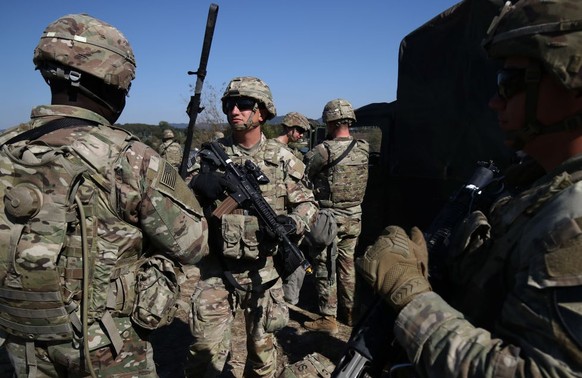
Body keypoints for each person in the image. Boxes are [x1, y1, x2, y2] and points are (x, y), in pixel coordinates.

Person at [356, 0, 582, 376]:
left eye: (509, 83)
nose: (494, 101)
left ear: (572, 81)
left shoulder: (573, 216)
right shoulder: (539, 187)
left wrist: (410, 295)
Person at [0, 14, 209, 377]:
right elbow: (193, 245)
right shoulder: (131, 158)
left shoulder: (6, 147)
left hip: (22, 341)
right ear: (115, 77)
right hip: (106, 348)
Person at [186, 76, 318, 378]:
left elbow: (308, 206)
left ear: (262, 112)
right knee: (203, 355)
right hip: (216, 269)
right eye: (228, 104)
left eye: (244, 104)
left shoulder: (283, 159)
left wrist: (294, 222)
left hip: (265, 271)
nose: (234, 110)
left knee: (263, 357)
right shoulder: (210, 154)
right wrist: (196, 184)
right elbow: (179, 201)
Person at [303, 99, 369, 332]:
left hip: (330, 218)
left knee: (324, 266)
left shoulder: (324, 150)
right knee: (347, 265)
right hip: (355, 216)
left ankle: (328, 318)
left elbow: (305, 173)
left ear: (329, 122)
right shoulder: (363, 147)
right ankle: (350, 314)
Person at [273, 111, 313, 305]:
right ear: (290, 128)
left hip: (288, 219)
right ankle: (288, 299)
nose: (301, 136)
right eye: (299, 131)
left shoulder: (290, 153)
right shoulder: (283, 154)